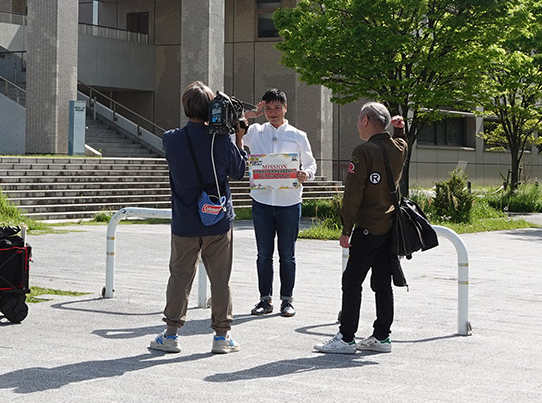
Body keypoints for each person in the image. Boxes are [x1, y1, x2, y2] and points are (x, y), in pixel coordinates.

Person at [149, 81, 248, 355]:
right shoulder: (223, 141)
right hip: (217, 220)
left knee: (180, 276)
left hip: (185, 221)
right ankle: (221, 337)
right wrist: (238, 136)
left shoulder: (171, 139)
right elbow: (239, 172)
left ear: (185, 108)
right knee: (220, 278)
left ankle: (171, 334)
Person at [315, 102, 407, 355]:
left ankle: (346, 337)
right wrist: (399, 130)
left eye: (359, 118)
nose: (357, 122)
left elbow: (353, 194)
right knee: (382, 282)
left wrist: (346, 228)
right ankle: (382, 336)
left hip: (367, 225)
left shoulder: (363, 151)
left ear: (366, 120)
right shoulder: (398, 147)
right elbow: (402, 143)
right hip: (389, 225)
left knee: (352, 280)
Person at [242, 89, 317, 317]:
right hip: (262, 201)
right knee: (264, 253)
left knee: (287, 254)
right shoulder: (255, 131)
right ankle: (265, 299)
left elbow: (311, 164)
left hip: (289, 203)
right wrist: (249, 115)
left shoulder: (298, 135)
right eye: (267, 108)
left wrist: (306, 174)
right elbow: (234, 130)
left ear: (285, 108)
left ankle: (287, 300)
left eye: (276, 108)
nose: (272, 113)